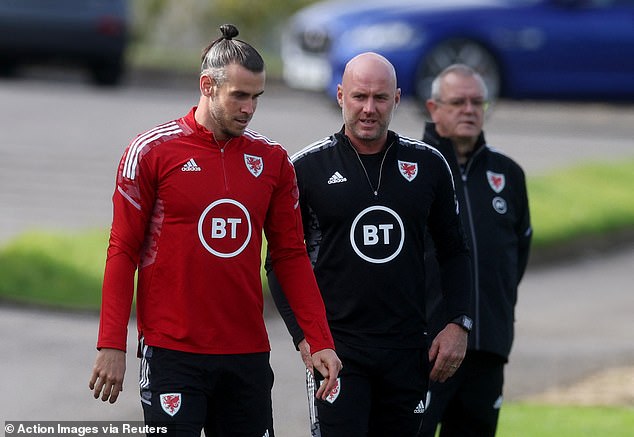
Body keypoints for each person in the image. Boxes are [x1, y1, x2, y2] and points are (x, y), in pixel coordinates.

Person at [88, 24, 342, 436]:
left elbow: (291, 256)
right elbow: (122, 250)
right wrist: (112, 343)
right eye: (238, 95)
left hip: (247, 355)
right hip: (173, 352)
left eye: (256, 97)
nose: (249, 108)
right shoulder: (151, 151)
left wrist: (319, 338)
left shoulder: (273, 161)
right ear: (207, 85)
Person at [266, 52, 473, 437]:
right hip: (338, 351)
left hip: (409, 349)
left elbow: (455, 251)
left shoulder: (428, 164)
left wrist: (459, 323)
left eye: (380, 98)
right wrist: (303, 337)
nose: (368, 108)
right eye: (359, 97)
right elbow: (279, 263)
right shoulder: (305, 170)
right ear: (341, 95)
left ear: (396, 99)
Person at [419, 64, 532, 437]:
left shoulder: (508, 174)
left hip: (487, 346)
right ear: (434, 109)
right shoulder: (413, 168)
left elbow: (517, 253)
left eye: (477, 102)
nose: (469, 110)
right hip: (424, 348)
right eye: (458, 102)